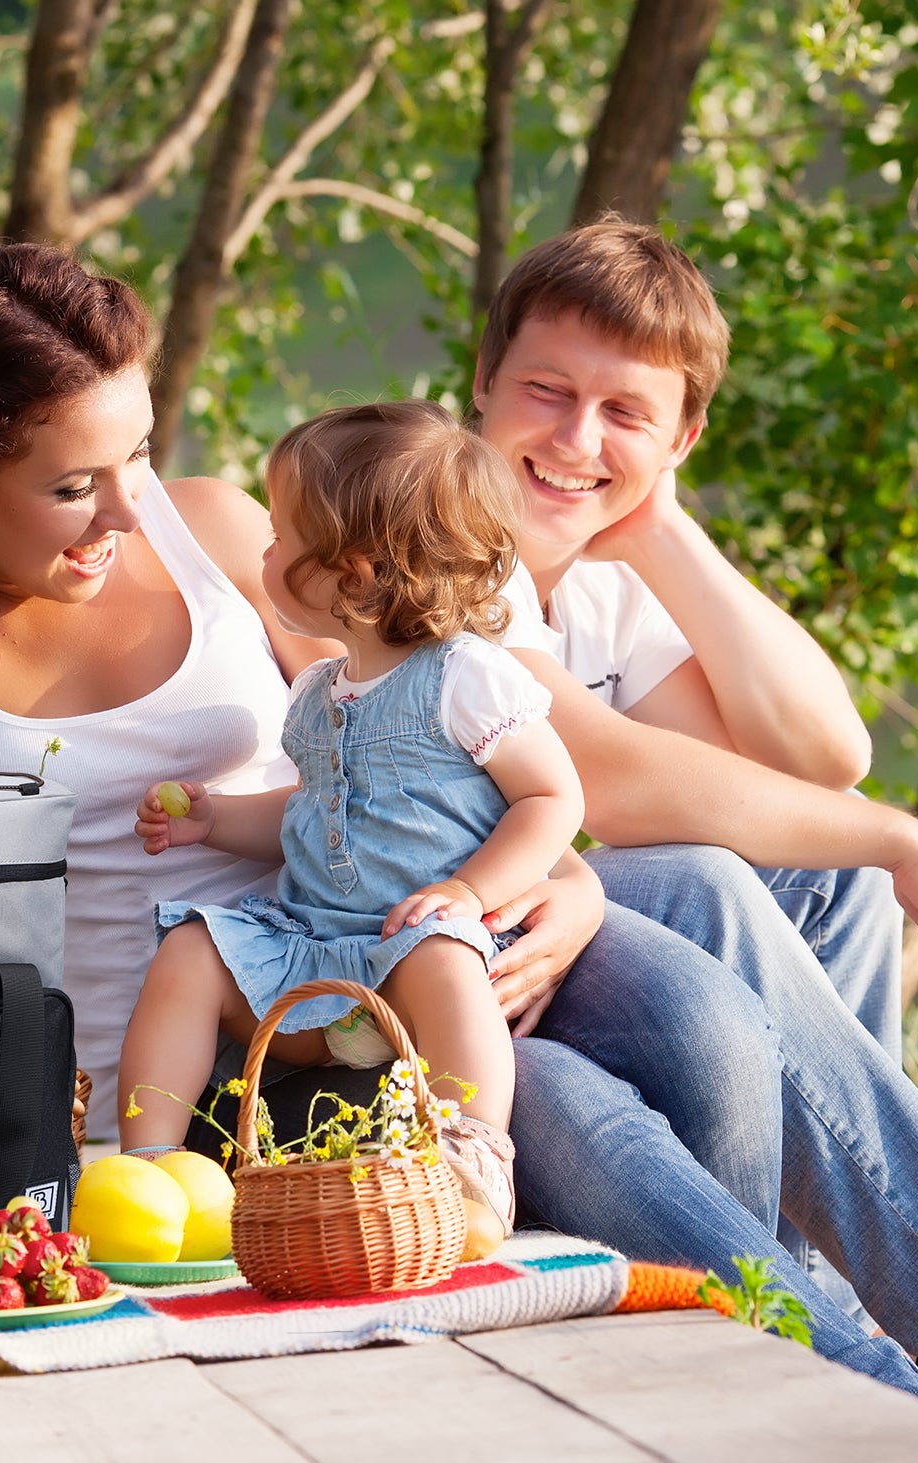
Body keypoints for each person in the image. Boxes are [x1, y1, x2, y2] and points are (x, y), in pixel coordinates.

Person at [0, 240, 918, 1409]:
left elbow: (420, 734)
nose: (129, 510)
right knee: (563, 1097)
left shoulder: (211, 525)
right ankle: (862, 1383)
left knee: (706, 953)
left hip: (394, 920)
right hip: (235, 1044)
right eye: (74, 485)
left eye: (138, 453)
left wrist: (572, 881)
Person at [469, 219, 918, 1355]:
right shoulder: (432, 532)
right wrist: (905, 837)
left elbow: (814, 758)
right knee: (707, 880)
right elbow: (607, 778)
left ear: (684, 435)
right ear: (483, 378)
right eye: (547, 390)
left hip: (557, 936)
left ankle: (860, 1286)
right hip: (443, 940)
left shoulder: (599, 580)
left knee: (830, 868)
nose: (576, 438)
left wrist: (664, 530)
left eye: (626, 413)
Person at [118, 402, 585, 1234]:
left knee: (442, 955)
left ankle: (469, 1158)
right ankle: (150, 1171)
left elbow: (554, 798)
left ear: (355, 575)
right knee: (191, 949)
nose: (263, 552)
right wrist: (214, 821)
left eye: (280, 537)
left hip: (415, 961)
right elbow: (312, 814)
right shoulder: (317, 692)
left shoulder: (465, 677)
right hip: (317, 955)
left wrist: (469, 893)